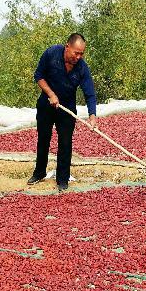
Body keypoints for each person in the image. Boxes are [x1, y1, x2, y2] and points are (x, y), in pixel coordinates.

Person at [28, 33, 98, 192]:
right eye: (76, 52)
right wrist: (51, 94)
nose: (79, 57)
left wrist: (92, 116)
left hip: (67, 107)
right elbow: (38, 75)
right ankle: (39, 172)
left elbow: (90, 94)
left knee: (65, 143)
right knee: (43, 139)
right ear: (67, 46)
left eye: (82, 53)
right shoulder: (52, 53)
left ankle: (62, 178)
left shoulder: (82, 67)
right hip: (47, 103)